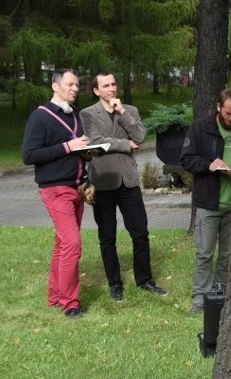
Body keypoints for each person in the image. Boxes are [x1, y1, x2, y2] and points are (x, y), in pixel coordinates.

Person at [80, 71, 168, 301]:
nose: (111, 89)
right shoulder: (88, 114)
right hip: (103, 181)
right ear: (96, 90)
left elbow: (140, 136)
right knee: (107, 236)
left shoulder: (129, 110)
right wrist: (124, 144)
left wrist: (122, 112)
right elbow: (95, 141)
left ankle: (145, 280)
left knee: (140, 233)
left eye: (113, 84)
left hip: (128, 181)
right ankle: (115, 283)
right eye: (105, 86)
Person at [22, 68, 91, 318]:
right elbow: (29, 155)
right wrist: (67, 146)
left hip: (78, 188)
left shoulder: (75, 116)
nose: (75, 88)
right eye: (70, 84)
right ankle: (69, 303)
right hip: (55, 189)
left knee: (63, 244)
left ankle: (54, 297)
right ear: (55, 86)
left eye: (77, 85)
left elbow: (75, 147)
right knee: (73, 244)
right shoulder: (39, 118)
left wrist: (86, 151)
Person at [180, 89, 231, 314]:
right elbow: (186, 159)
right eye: (228, 113)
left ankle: (221, 294)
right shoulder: (200, 128)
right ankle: (199, 300)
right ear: (218, 108)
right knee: (204, 253)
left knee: (227, 254)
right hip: (208, 203)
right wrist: (209, 165)